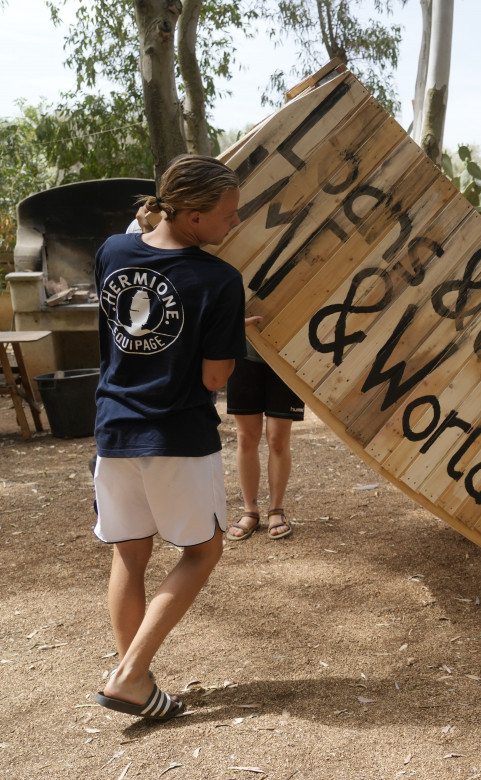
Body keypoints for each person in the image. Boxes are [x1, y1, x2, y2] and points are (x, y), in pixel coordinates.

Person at [91, 155, 246, 721]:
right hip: (178, 432)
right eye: (228, 215)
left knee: (130, 553)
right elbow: (214, 377)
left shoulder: (111, 251)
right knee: (203, 550)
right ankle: (130, 676)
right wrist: (229, 333)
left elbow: (132, 313)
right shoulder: (220, 280)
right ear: (195, 217)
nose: (235, 223)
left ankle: (136, 677)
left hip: (115, 428)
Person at [224, 346, 304, 541]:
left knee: (278, 440)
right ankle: (250, 510)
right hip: (242, 353)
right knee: (246, 438)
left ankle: (276, 510)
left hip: (288, 353)